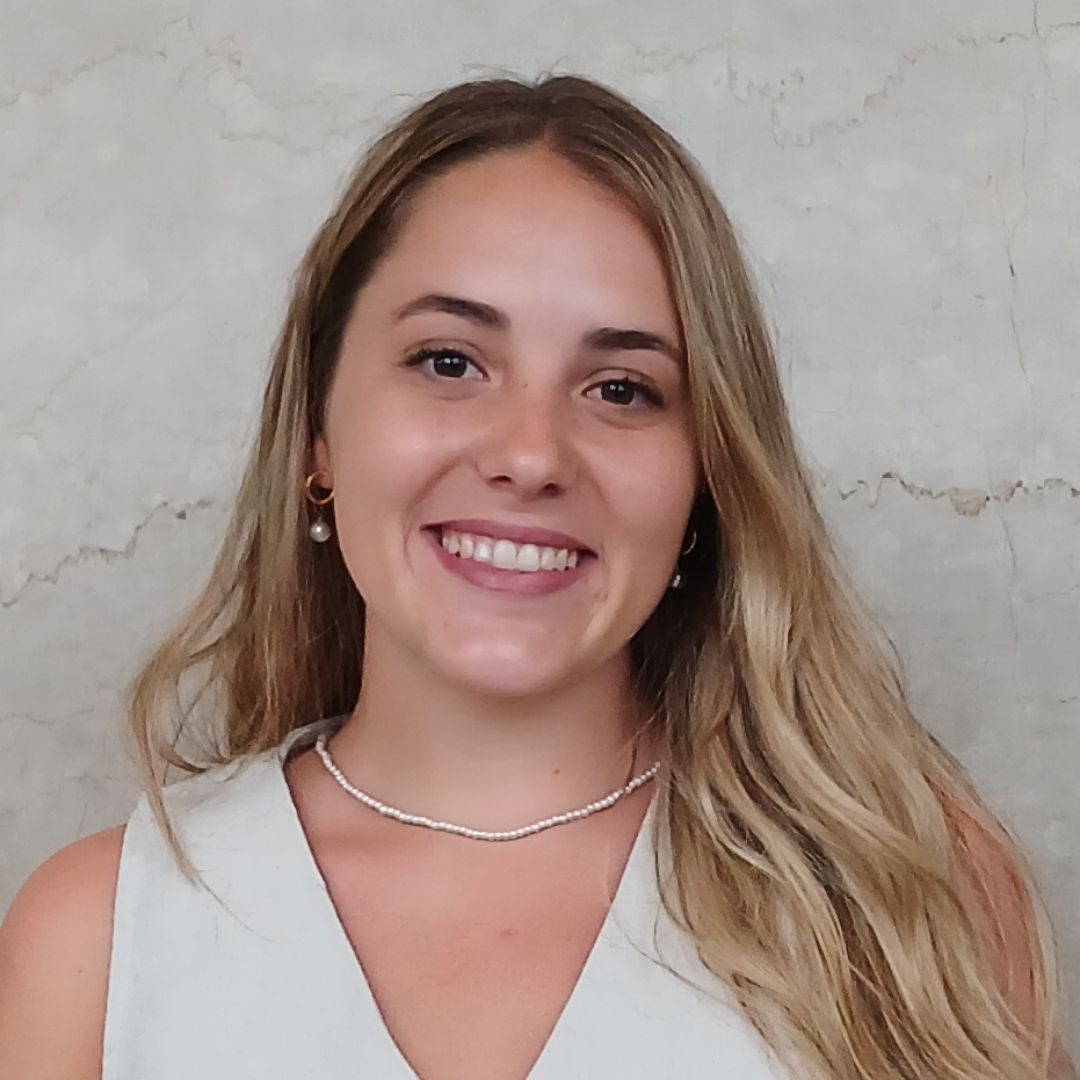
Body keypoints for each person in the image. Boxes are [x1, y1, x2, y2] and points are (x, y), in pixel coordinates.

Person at [0, 73, 1073, 1080]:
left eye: (621, 388)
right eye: (449, 362)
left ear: (707, 475)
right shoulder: (101, 942)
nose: (531, 454)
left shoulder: (901, 902)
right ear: (317, 435)